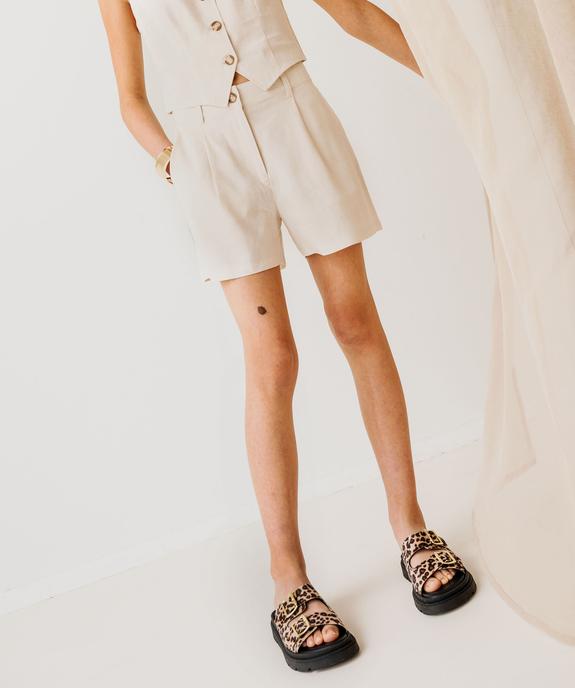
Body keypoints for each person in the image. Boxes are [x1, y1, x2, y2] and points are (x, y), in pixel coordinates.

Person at [98, 0, 476, 672]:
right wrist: (173, 163)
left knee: (355, 320)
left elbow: (353, 13)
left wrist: (458, 78)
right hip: (206, 154)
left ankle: (411, 527)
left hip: (294, 116)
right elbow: (129, 96)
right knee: (271, 357)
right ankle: (288, 579)